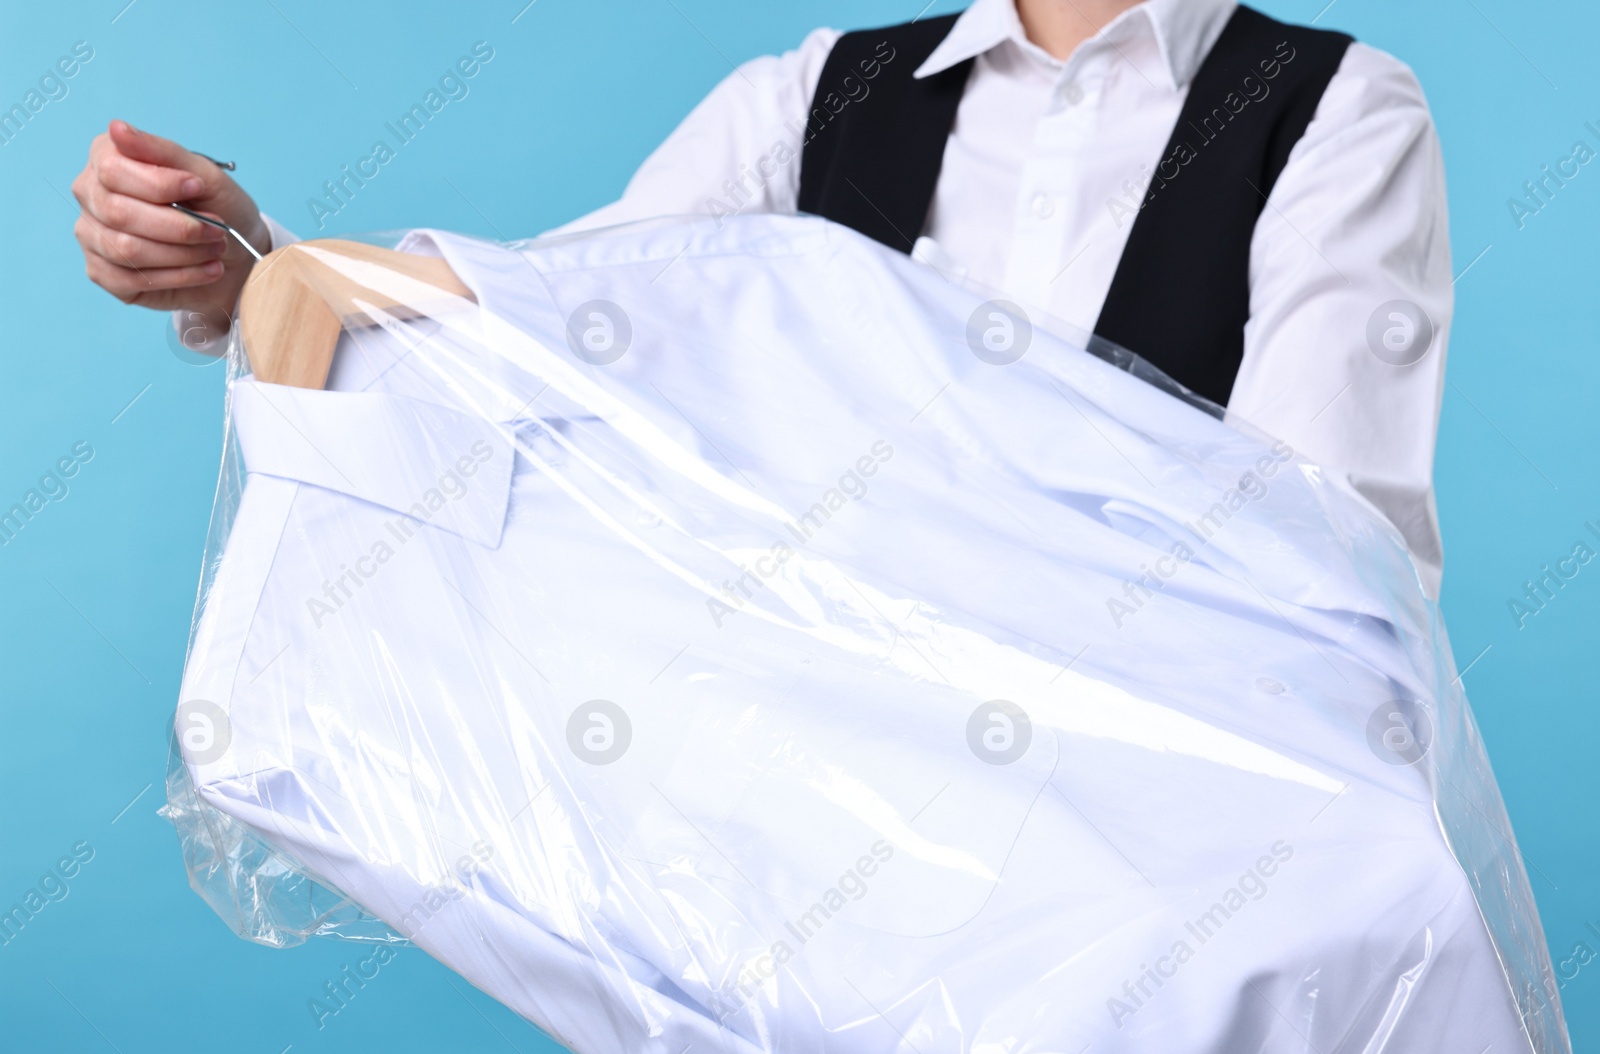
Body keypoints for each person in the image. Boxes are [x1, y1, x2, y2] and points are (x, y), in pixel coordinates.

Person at [69, 0, 1451, 593]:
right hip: (824, 822)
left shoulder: (1333, 114)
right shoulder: (816, 97)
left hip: (1158, 853)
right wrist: (257, 268)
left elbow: (1332, 561)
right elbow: (542, 329)